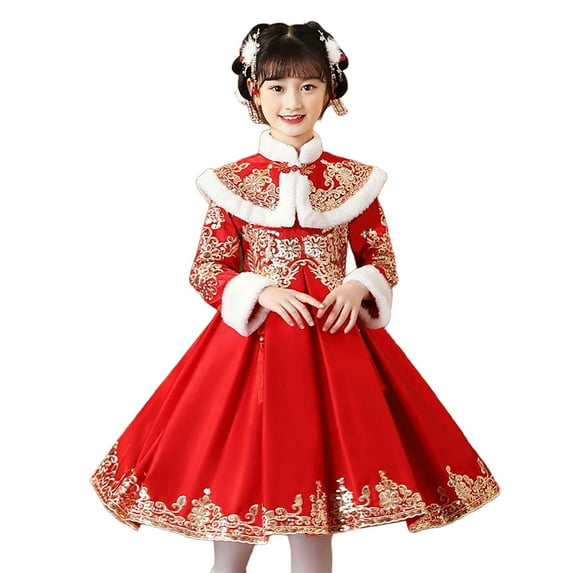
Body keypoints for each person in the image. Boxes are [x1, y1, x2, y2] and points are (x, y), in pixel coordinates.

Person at [91, 21, 500, 573]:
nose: (293, 102)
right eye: (278, 86)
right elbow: (207, 269)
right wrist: (258, 289)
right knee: (235, 488)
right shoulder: (231, 182)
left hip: (335, 353)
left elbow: (381, 260)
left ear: (330, 90)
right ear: (253, 91)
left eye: (308, 86)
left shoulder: (356, 181)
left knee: (317, 499)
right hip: (249, 358)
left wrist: (358, 285)